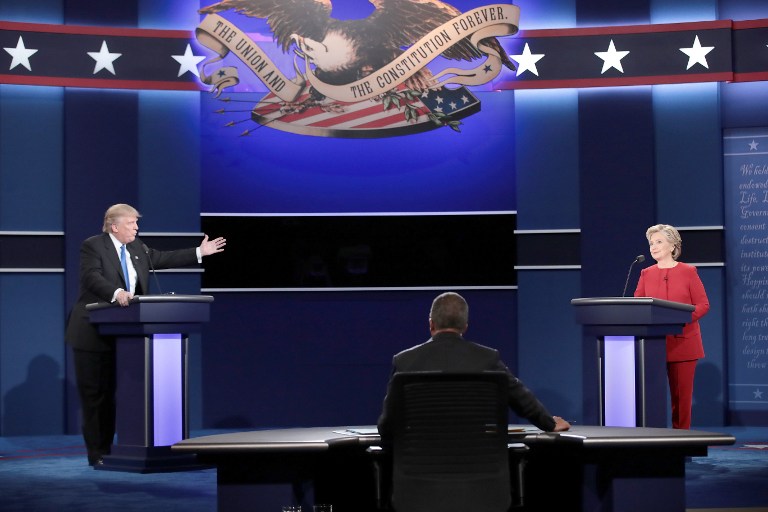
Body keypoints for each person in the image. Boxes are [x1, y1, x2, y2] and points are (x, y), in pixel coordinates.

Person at [65, 203, 226, 466]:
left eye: (137, 223)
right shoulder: (93, 245)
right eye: (132, 223)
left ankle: (133, 448)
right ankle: (99, 454)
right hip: (93, 333)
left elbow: (163, 259)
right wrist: (117, 294)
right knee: (97, 398)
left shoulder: (138, 248)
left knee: (129, 394)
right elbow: (91, 278)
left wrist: (200, 252)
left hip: (129, 335)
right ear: (114, 226)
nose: (137, 228)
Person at [378, 292, 571, 439]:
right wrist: (549, 423)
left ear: (431, 324)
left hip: (417, 479)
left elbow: (386, 427)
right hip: (480, 480)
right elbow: (523, 400)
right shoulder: (487, 359)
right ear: (465, 327)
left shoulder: (404, 361)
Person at [634, 224, 710, 429]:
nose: (653, 247)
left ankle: (681, 442)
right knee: (651, 397)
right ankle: (652, 441)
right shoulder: (645, 273)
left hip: (683, 343)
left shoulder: (688, 271)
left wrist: (680, 321)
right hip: (653, 345)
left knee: (681, 399)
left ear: (673, 245)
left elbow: (703, 305)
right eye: (651, 243)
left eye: (659, 242)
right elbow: (637, 305)